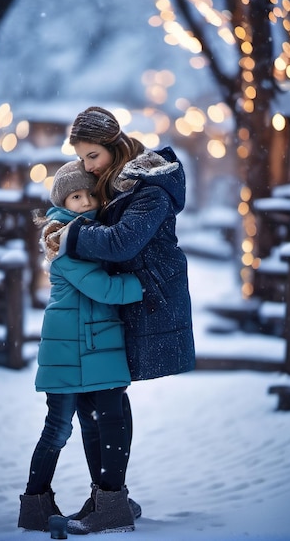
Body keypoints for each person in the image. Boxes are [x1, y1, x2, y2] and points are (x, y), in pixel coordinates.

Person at [64, 106, 196, 535]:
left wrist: (72, 237)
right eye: (82, 158)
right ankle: (107, 495)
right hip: (120, 305)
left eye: (91, 156)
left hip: (147, 304)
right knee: (96, 399)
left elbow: (121, 243)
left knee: (106, 399)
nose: (86, 167)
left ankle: (112, 500)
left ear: (115, 146)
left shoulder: (149, 189)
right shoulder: (117, 187)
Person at [18, 159, 143, 534]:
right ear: (62, 202)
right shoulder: (66, 239)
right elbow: (102, 288)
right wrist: (143, 285)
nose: (86, 201)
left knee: (94, 424)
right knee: (59, 428)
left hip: (88, 346)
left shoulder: (91, 233)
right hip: (68, 351)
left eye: (90, 193)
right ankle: (35, 502)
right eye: (76, 196)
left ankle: (105, 498)